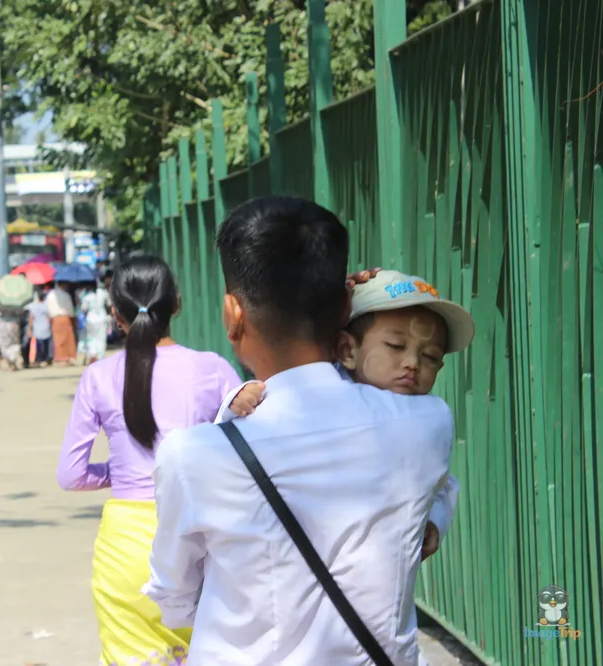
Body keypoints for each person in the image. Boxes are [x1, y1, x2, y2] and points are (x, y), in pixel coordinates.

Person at [142, 196, 455, 665]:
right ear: (344, 304)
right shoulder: (428, 423)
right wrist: (354, 310)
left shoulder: (194, 455)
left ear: (233, 314)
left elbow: (175, 600)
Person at [57, 255, 242, 666]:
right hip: (200, 537)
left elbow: (70, 475)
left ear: (114, 314)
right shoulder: (212, 369)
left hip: (125, 547)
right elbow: (250, 449)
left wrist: (118, 471)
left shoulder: (99, 376)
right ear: (176, 303)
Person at [221, 268, 475, 562]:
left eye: (430, 356)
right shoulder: (319, 391)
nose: (412, 363)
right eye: (395, 346)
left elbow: (442, 482)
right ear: (346, 349)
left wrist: (435, 520)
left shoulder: (427, 420)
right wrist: (236, 401)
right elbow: (243, 442)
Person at [45, 281, 77, 365]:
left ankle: (60, 359)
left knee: (57, 339)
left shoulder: (50, 295)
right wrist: (73, 319)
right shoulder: (66, 295)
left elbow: (48, 309)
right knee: (67, 339)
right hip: (65, 317)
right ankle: (67, 358)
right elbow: (70, 310)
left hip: (55, 319)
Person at [80, 280, 110, 364]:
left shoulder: (87, 296)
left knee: (91, 338)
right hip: (102, 317)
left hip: (90, 318)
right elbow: (108, 304)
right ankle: (100, 356)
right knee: (101, 338)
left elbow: (84, 309)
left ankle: (93, 354)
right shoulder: (103, 293)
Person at [26, 289, 53, 367]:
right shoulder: (46, 306)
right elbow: (49, 317)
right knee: (46, 346)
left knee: (39, 346)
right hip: (46, 328)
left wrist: (29, 329)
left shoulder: (34, 306)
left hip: (37, 329)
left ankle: (38, 360)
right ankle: (46, 360)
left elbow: (31, 318)